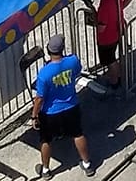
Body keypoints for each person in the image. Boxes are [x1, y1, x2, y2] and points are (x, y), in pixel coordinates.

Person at [31, 33, 93, 175]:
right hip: (71, 105)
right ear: (62, 49)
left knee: (46, 140)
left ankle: (46, 170)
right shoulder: (72, 61)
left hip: (50, 112)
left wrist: (34, 116)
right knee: (78, 134)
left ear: (48, 50)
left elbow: (39, 98)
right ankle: (87, 164)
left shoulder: (44, 74)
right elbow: (76, 71)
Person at [83, 0, 133, 90]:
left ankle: (115, 82)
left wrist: (92, 9)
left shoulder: (104, 6)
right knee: (112, 57)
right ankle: (118, 77)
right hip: (117, 30)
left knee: (110, 61)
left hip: (106, 38)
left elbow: (101, 27)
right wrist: (120, 9)